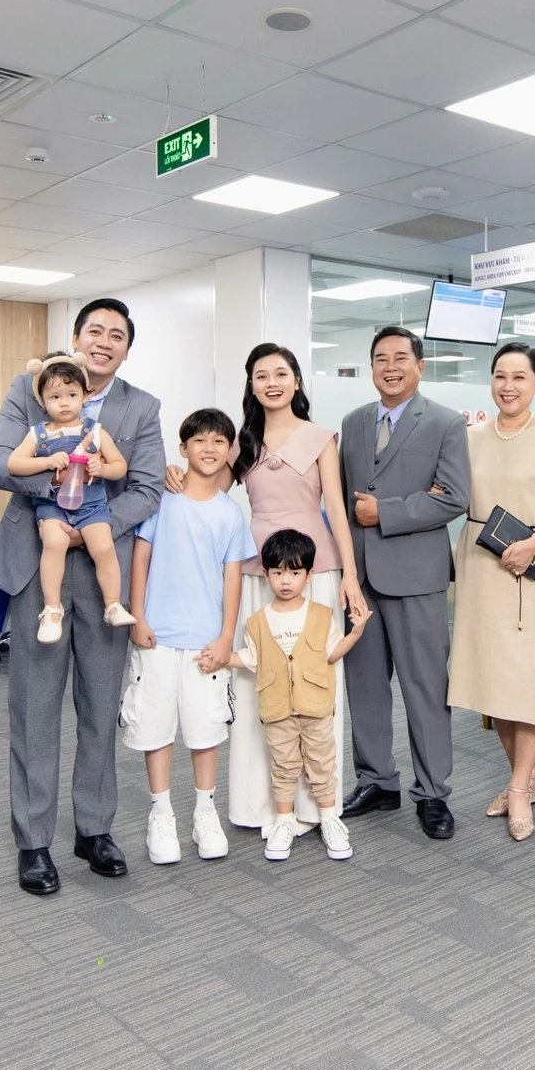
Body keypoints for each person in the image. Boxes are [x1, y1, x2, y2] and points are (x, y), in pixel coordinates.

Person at [0, 298, 164, 896]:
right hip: (42, 560)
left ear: (126, 350)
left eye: (117, 335)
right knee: (35, 706)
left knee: (101, 703)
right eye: (94, 331)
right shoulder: (31, 389)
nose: (104, 342)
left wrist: (96, 524)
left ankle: (94, 828)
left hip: (105, 564)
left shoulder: (142, 407)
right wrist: (55, 490)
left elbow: (148, 487)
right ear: (77, 339)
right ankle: (34, 840)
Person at [167, 343, 370, 831]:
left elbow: (336, 508)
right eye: (261, 375)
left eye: (281, 373)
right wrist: (174, 474)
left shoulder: (321, 438)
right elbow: (206, 492)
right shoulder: (243, 442)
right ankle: (258, 805)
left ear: (296, 381)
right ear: (251, 385)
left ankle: (316, 805)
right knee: (256, 680)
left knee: (315, 678)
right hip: (256, 570)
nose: (272, 383)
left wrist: (350, 576)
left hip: (314, 570)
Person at [446, 344, 535, 842]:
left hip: (528, 569)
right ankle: (522, 775)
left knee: (528, 682)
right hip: (481, 567)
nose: (508, 386)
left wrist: (534, 544)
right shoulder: (469, 438)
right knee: (495, 680)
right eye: (500, 376)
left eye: (519, 377)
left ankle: (520, 789)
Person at [338, 326, 470, 840]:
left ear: (420, 365)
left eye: (400, 358)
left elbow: (454, 497)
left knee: (424, 687)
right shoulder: (353, 423)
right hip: (361, 578)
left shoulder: (444, 422)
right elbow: (342, 498)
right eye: (380, 359)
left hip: (416, 577)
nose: (389, 367)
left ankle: (433, 792)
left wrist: (386, 513)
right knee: (365, 685)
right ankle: (376, 780)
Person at [123, 409, 254, 866]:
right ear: (183, 448)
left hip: (205, 642)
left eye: (219, 441)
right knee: (155, 725)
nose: (209, 448)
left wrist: (226, 637)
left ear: (229, 451)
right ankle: (161, 813)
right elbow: (140, 559)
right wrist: (137, 616)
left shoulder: (230, 514)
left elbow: (233, 579)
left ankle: (204, 811)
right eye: (199, 440)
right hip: (157, 637)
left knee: (205, 728)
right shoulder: (161, 501)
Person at [235, 529, 372, 863]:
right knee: (283, 767)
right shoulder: (257, 622)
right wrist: (221, 657)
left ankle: (329, 819)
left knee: (322, 765)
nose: (286, 580)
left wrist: (357, 632)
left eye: (295, 573)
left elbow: (331, 653)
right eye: (278, 572)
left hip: (316, 709)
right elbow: (250, 658)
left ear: (309, 576)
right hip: (277, 710)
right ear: (265, 574)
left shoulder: (322, 615)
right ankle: (284, 822)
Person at [7, 353, 136, 643]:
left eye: (72, 394)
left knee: (104, 547)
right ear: (42, 401)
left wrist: (102, 468)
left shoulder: (96, 431)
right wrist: (46, 461)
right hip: (53, 507)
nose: (64, 403)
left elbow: (120, 466)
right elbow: (14, 464)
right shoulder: (38, 434)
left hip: (92, 507)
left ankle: (113, 605)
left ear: (85, 395)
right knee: (53, 543)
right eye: (55, 397)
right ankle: (52, 609)